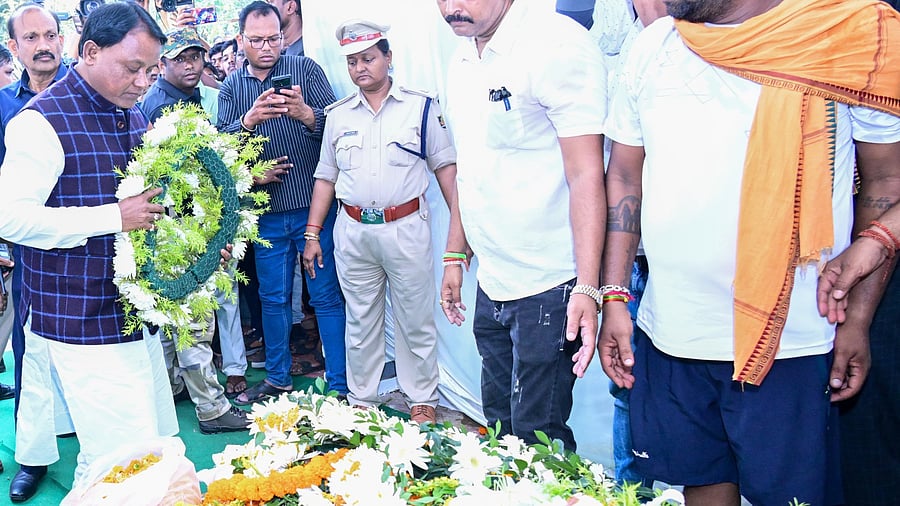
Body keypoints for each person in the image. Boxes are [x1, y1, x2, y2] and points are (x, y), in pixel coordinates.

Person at [599, 0, 900, 504]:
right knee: (700, 485)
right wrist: (613, 295)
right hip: (674, 333)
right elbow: (626, 175)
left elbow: (886, 181)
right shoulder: (654, 44)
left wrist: (857, 321)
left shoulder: (844, 37)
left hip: (794, 345)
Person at [0, 1, 179, 491]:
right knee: (121, 458)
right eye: (132, 68)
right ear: (90, 51)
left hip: (132, 307)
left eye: (150, 70)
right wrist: (112, 219)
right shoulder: (40, 121)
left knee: (149, 439)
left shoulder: (133, 114)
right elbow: (9, 218)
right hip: (77, 313)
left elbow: (149, 201)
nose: (144, 82)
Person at [436, 0, 606, 451]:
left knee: (539, 438)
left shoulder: (556, 43)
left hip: (550, 283)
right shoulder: (462, 56)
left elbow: (588, 173)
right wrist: (456, 254)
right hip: (492, 280)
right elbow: (472, 170)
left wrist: (590, 286)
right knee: (498, 430)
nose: (451, 8)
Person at [303, 20, 463, 423]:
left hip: (405, 228)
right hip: (353, 230)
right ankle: (362, 397)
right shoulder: (337, 116)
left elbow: (447, 174)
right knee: (360, 319)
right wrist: (312, 233)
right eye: (353, 61)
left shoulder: (421, 107)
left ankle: (422, 396)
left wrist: (460, 240)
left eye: (369, 58)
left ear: (388, 58)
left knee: (415, 318)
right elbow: (326, 176)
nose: (361, 68)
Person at [217, 1, 347, 405]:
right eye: (256, 40)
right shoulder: (232, 88)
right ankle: (277, 378)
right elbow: (219, 149)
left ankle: (340, 385)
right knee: (273, 300)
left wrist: (307, 115)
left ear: (282, 34)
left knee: (325, 297)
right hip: (266, 214)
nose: (267, 47)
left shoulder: (306, 71)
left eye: (273, 38)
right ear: (241, 41)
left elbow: (339, 129)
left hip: (315, 211)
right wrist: (248, 122)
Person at [139, 28, 250, 434]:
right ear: (163, 63)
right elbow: (176, 175)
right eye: (181, 58)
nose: (190, 65)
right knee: (193, 320)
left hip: (186, 223)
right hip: (181, 227)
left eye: (196, 57)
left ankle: (174, 388)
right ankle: (212, 408)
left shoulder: (187, 99)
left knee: (177, 319)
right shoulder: (161, 107)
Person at [0, 3, 72, 500]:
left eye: (50, 34)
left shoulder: (87, 92)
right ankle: (33, 457)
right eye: (31, 37)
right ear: (15, 48)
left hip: (94, 243)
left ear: (63, 40)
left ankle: (104, 447)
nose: (43, 43)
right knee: (30, 351)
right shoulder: (5, 104)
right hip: (28, 250)